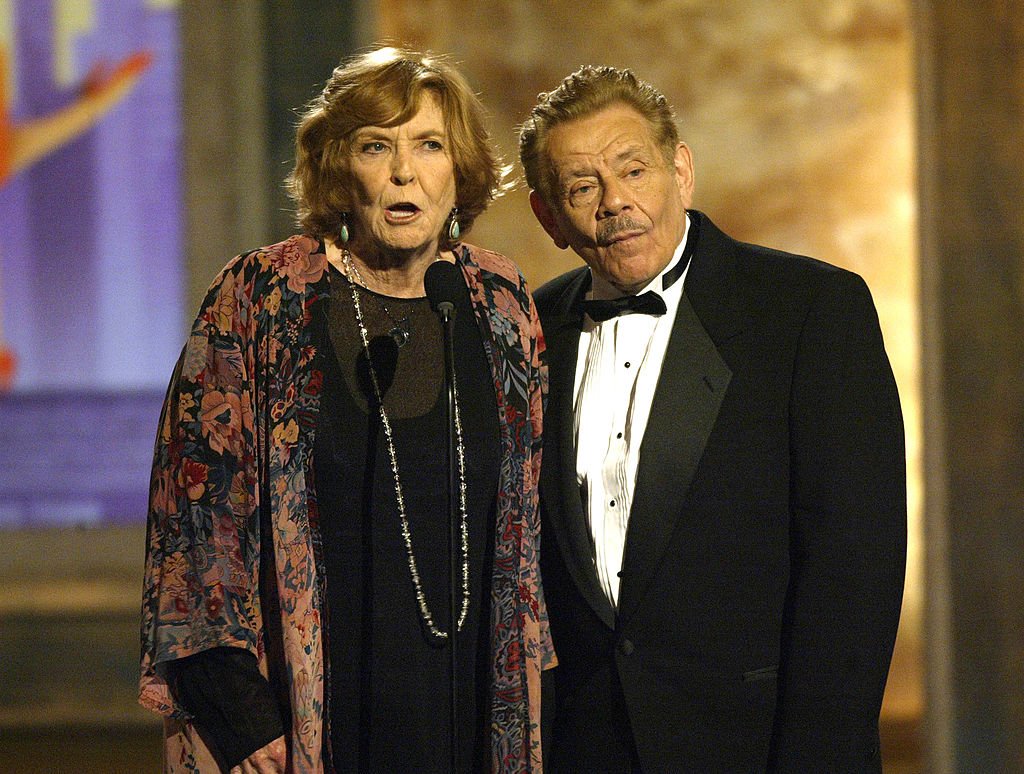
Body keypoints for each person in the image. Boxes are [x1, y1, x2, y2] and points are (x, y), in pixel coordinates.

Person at [140, 47, 554, 773]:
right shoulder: (259, 295)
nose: (404, 171)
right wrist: (238, 711)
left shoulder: (498, 301)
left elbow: (525, 529)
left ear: (459, 170)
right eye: (376, 146)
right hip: (300, 723)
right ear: (340, 168)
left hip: (465, 711)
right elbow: (194, 515)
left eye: (429, 145)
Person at [519, 65, 906, 772]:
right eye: (582, 187)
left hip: (756, 749)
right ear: (550, 218)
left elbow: (855, 573)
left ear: (681, 171)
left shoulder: (809, 311)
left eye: (633, 171)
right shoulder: (527, 331)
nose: (614, 203)